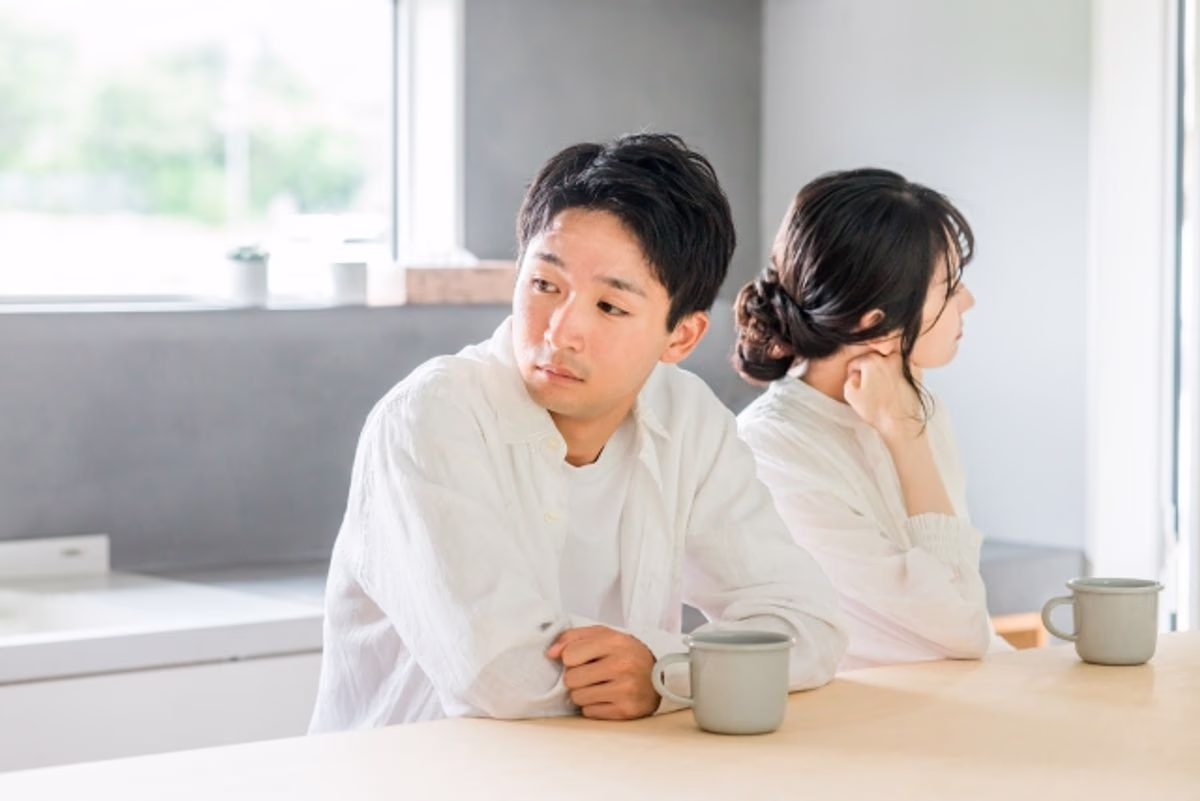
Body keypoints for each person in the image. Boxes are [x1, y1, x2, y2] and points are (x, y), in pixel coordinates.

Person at [308, 133, 845, 731]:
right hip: (417, 772)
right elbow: (502, 677)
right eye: (545, 285)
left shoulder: (687, 417)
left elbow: (808, 624)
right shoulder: (430, 416)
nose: (560, 332)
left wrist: (663, 670)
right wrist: (681, 672)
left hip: (601, 770)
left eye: (610, 307)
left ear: (682, 336)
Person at [734, 168, 1008, 670]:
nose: (968, 301)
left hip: (963, 691)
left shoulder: (920, 407)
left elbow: (969, 623)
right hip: (873, 709)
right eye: (949, 287)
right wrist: (907, 438)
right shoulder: (770, 452)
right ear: (876, 326)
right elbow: (960, 626)